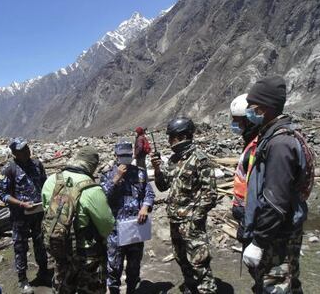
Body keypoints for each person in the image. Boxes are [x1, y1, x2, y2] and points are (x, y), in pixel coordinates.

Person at [242, 76, 313, 293]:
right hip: (279, 233)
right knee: (288, 284)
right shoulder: (276, 136)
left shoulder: (280, 144)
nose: (249, 112)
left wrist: (259, 242)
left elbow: (275, 200)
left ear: (266, 108)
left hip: (277, 238)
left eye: (253, 107)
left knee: (275, 285)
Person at [151, 118, 217, 294]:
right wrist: (157, 169)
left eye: (171, 137)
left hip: (191, 222)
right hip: (175, 220)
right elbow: (163, 186)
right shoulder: (173, 160)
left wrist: (195, 217)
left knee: (199, 262)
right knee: (181, 258)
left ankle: (206, 290)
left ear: (182, 136)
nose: (169, 141)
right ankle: (191, 287)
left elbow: (210, 194)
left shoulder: (200, 159)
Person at [42, 146, 115, 294]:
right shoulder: (92, 189)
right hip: (87, 254)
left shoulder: (51, 181)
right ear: (92, 166)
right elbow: (107, 225)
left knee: (63, 286)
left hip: (60, 247)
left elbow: (46, 210)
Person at [100, 141, 155, 294]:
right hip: (115, 229)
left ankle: (132, 288)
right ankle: (114, 290)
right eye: (122, 156)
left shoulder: (140, 172)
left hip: (136, 226)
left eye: (128, 155)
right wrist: (116, 178)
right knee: (114, 265)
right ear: (115, 156)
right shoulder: (107, 174)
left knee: (134, 264)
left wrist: (145, 206)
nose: (126, 158)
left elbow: (149, 193)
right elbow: (102, 197)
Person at [0, 138, 48, 294]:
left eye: (27, 148)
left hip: (38, 213)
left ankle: (44, 272)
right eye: (22, 150)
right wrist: (21, 203)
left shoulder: (37, 165)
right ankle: (23, 279)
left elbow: (45, 184)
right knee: (20, 246)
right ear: (14, 153)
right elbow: (3, 195)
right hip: (20, 216)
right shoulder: (9, 169)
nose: (26, 151)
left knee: (40, 243)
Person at [229, 94, 259, 238]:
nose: (235, 125)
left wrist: (248, 221)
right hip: (246, 215)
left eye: (237, 121)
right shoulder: (250, 142)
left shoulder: (257, 146)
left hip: (253, 219)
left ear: (249, 120)